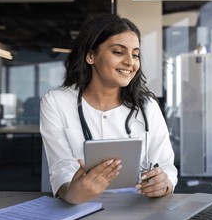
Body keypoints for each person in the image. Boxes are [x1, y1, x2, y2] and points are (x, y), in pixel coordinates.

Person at [40, 13, 178, 205]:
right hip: (80, 211)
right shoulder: (56, 102)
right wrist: (72, 192)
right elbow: (61, 167)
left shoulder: (147, 107)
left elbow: (165, 165)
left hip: (137, 208)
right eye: (118, 52)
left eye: (135, 54)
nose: (130, 61)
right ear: (90, 56)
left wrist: (164, 184)